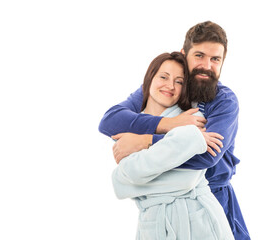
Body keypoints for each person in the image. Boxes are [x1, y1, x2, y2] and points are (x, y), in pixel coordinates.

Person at [99, 21, 250, 240]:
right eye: (199, 55)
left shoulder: (223, 100)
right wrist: (170, 125)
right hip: (162, 209)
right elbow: (110, 121)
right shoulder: (165, 88)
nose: (206, 65)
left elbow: (206, 155)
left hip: (214, 199)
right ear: (184, 54)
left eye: (215, 59)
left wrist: (145, 141)